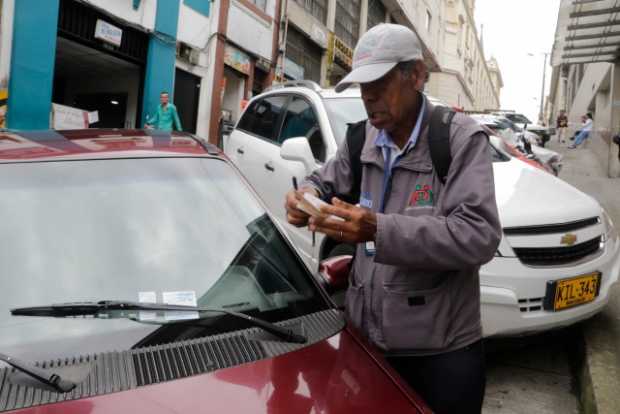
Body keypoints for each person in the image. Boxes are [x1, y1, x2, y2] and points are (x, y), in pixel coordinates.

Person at [284, 23, 501, 414]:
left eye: (379, 84)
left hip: (440, 357)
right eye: (363, 88)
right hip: (368, 345)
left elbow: (479, 235)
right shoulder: (360, 139)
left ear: (416, 75)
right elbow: (323, 181)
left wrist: (379, 229)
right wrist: (308, 199)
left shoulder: (459, 141)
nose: (368, 98)